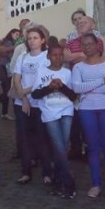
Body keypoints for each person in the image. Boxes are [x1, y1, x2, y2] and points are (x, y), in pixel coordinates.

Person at [72, 33, 105, 199]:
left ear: (97, 44)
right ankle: (96, 183)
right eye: (84, 45)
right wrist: (101, 81)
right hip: (86, 109)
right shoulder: (78, 67)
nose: (87, 47)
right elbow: (77, 88)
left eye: (90, 44)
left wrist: (89, 88)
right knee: (92, 147)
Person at [31, 43, 77, 199]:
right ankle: (69, 182)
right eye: (54, 55)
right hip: (49, 113)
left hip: (66, 111)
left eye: (60, 55)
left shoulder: (68, 73)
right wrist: (50, 87)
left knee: (62, 147)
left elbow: (73, 96)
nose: (57, 58)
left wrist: (61, 86)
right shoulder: (41, 71)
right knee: (59, 146)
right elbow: (35, 94)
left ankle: (58, 180)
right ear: (48, 56)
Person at [12, 26, 52, 185]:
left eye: (35, 38)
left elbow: (43, 81)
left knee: (42, 138)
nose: (32, 41)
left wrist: (24, 93)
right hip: (22, 103)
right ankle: (26, 171)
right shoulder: (23, 57)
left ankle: (47, 172)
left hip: (40, 103)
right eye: (29, 38)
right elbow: (16, 78)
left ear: (42, 40)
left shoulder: (46, 57)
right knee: (25, 138)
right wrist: (23, 98)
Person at [64, 15, 105, 161]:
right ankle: (75, 147)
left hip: (91, 83)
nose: (80, 24)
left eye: (84, 22)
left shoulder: (98, 41)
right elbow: (66, 58)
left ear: (92, 25)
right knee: (75, 117)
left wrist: (77, 55)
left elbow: (94, 55)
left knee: (90, 118)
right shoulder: (72, 41)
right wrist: (82, 54)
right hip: (75, 83)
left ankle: (90, 149)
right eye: (78, 22)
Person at [0, 28, 20, 120]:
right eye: (16, 34)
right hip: (2, 67)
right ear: (11, 33)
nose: (18, 36)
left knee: (6, 90)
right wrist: (14, 47)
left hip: (6, 68)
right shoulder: (7, 42)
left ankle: (4, 112)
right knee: (7, 90)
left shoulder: (10, 42)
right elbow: (2, 52)